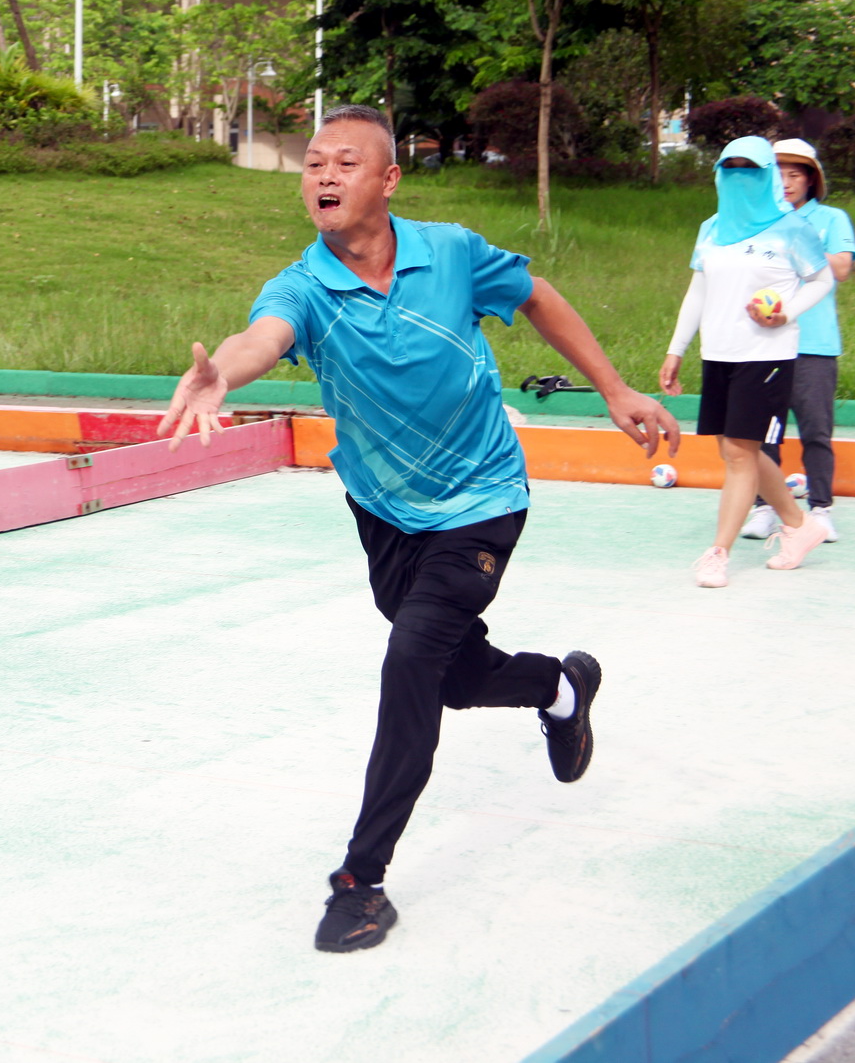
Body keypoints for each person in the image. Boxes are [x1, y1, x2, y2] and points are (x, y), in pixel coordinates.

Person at [156, 104, 680, 954]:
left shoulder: (452, 254)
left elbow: (537, 295)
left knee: (410, 662)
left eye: (345, 162)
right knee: (453, 676)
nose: (324, 175)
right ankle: (559, 687)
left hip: (482, 498)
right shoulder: (304, 286)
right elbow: (261, 336)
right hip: (386, 512)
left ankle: (361, 879)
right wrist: (225, 374)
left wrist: (616, 389)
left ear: (389, 179)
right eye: (313, 163)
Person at [658, 136, 834, 587]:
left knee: (739, 453)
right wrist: (677, 349)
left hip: (766, 356)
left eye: (750, 168)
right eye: (730, 167)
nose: (740, 176)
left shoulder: (791, 228)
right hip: (718, 354)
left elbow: (822, 280)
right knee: (737, 452)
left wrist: (785, 313)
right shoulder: (712, 228)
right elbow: (698, 291)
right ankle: (800, 525)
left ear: (766, 175)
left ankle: (718, 553)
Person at [738, 139, 855, 543]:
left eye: (794, 175)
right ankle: (764, 508)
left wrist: (795, 244)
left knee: (816, 431)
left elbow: (842, 266)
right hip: (764, 343)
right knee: (762, 433)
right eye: (778, 175)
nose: (786, 183)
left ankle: (821, 510)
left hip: (815, 345)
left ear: (810, 180)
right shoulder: (756, 220)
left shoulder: (831, 219)